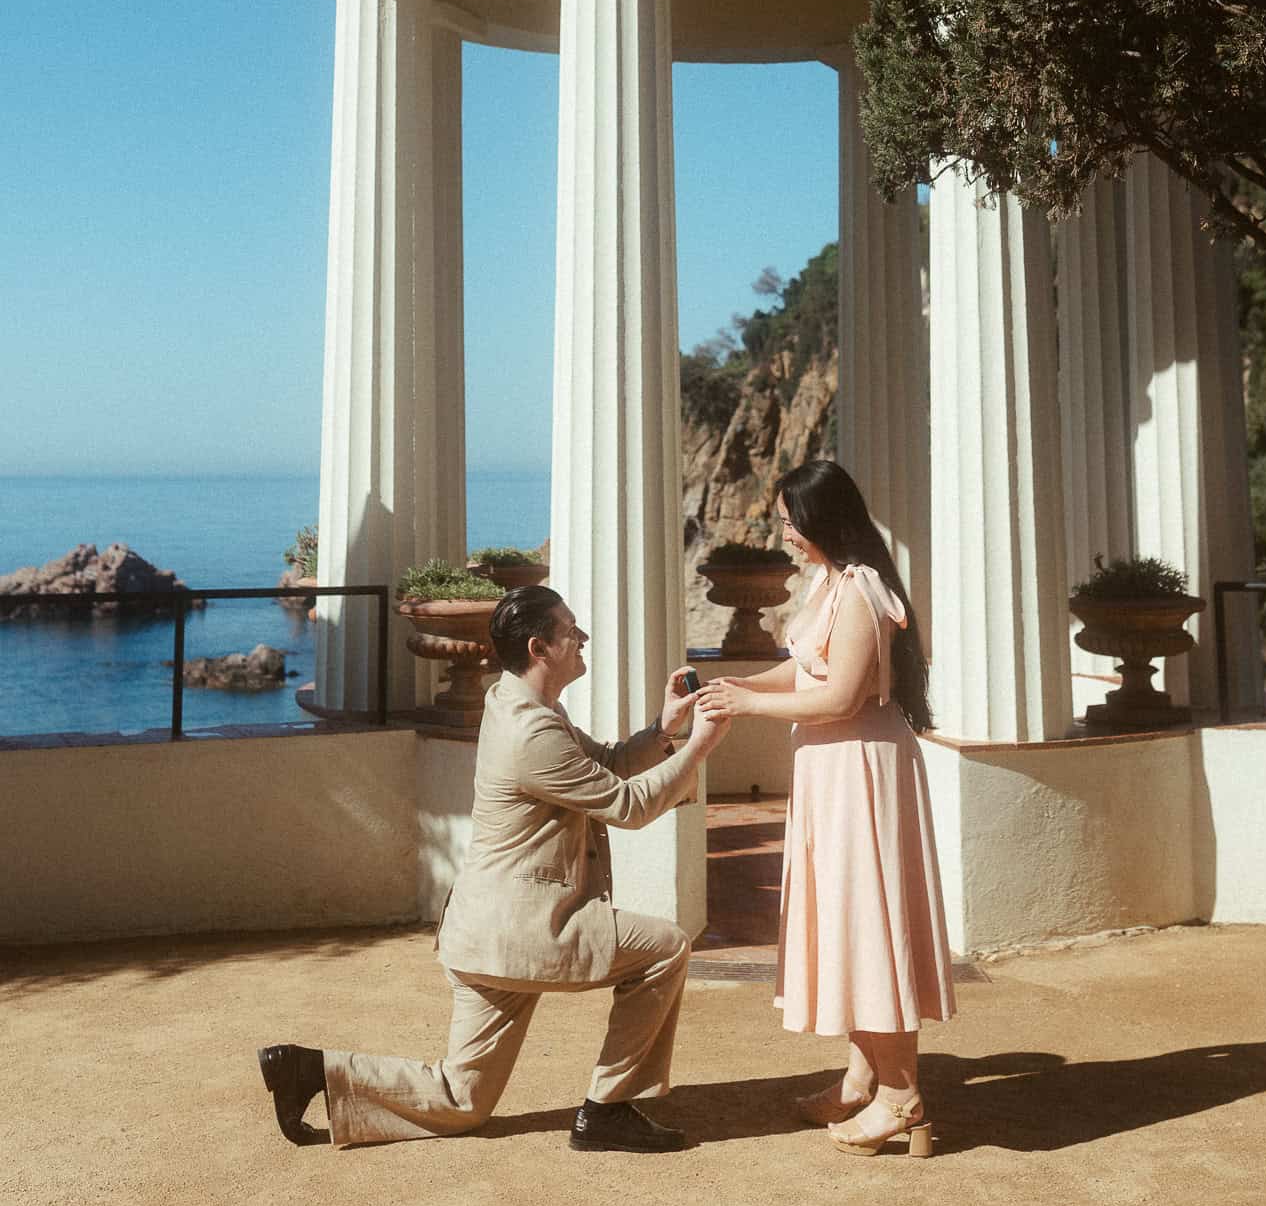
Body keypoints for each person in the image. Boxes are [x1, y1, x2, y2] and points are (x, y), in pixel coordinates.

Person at [258, 583, 727, 1155]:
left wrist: (664, 730)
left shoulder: (521, 705)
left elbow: (603, 763)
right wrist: (698, 748)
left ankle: (310, 1070)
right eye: (570, 630)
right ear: (540, 647)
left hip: (484, 934)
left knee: (463, 1101)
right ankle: (608, 1110)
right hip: (525, 929)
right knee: (666, 947)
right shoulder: (532, 731)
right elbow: (626, 806)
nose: (582, 638)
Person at [696, 459, 954, 1157]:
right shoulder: (831, 584)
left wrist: (749, 704)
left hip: (859, 772)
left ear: (821, 520)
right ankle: (861, 1077)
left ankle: (902, 1100)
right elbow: (806, 667)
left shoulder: (863, 591)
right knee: (848, 923)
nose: (782, 534)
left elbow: (840, 697)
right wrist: (735, 686)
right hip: (833, 769)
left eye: (787, 521)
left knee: (866, 926)